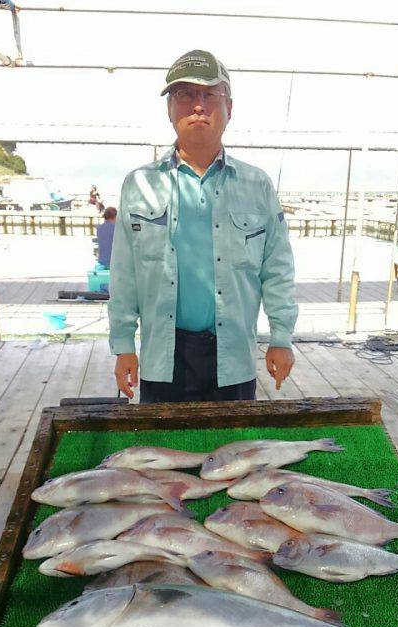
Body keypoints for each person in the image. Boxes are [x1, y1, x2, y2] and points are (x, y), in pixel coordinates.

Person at [109, 49, 297, 402]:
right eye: (185, 95)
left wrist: (281, 338)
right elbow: (124, 273)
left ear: (229, 107)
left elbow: (277, 268)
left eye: (210, 95)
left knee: (236, 439)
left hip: (234, 355)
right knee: (160, 438)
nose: (198, 105)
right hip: (163, 355)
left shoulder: (256, 185)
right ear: (169, 109)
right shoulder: (139, 184)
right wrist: (123, 344)